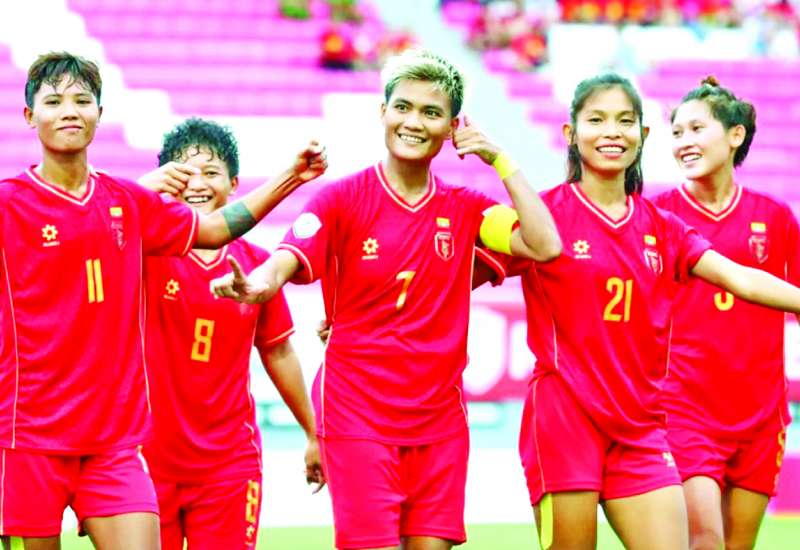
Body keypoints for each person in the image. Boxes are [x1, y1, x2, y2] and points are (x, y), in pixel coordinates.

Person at [211, 48, 562, 550]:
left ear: (452, 127)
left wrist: (500, 159)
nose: (413, 122)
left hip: (439, 423)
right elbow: (281, 263)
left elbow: (545, 245)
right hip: (357, 414)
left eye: (431, 112)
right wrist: (257, 285)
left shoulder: (469, 211)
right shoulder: (341, 199)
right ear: (383, 112)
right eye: (403, 107)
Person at [0, 52, 325, 550]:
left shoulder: (128, 203)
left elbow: (215, 229)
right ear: (29, 115)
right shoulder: (9, 204)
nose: (69, 111)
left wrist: (291, 177)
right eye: (54, 101)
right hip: (29, 438)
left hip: (114, 442)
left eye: (82, 100)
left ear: (99, 114)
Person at [503, 72, 800, 550]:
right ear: (570, 132)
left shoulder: (663, 226)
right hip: (570, 417)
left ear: (642, 135)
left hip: (642, 425)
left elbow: (741, 279)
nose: (612, 132)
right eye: (597, 120)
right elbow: (454, 272)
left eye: (625, 121)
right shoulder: (544, 216)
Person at [137, 118, 324, 550]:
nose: (197, 184)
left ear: (234, 184)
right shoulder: (140, 254)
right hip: (146, 461)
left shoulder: (257, 266)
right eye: (185, 172)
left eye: (211, 172)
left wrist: (313, 433)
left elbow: (279, 353)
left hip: (228, 465)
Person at [652, 77, 797, 550]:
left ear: (735, 135)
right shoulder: (657, 217)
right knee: (705, 540)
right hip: (685, 407)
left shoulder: (775, 217)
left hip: (761, 412)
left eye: (697, 129)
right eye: (677, 132)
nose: (684, 142)